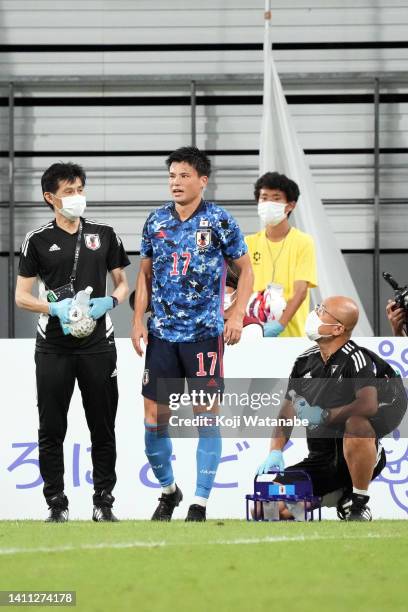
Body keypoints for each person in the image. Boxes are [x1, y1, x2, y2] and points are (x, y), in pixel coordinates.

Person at [131, 146, 253, 522]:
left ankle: (199, 502)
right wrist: (137, 320)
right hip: (163, 334)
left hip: (204, 334)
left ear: (203, 180)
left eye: (184, 175)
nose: (176, 182)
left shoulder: (219, 220)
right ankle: (168, 491)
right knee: (154, 418)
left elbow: (245, 270)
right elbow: (145, 274)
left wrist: (236, 314)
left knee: (205, 417)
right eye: (172, 175)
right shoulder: (155, 221)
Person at [15, 162, 130, 522]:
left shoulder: (105, 234)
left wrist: (109, 301)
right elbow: (21, 296)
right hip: (53, 345)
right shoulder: (36, 239)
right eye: (68, 191)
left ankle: (104, 502)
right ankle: (57, 505)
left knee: (103, 425)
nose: (77, 197)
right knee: (51, 427)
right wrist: (53, 307)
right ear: (50, 197)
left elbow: (123, 284)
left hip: (99, 344)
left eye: (80, 189)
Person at [257, 296, 407, 521]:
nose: (314, 313)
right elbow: (286, 413)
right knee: (264, 509)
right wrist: (275, 451)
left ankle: (357, 501)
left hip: (360, 448)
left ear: (337, 328)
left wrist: (323, 415)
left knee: (356, 423)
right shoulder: (303, 362)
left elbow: (368, 404)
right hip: (321, 459)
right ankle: (332, 497)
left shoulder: (357, 359)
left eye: (321, 310)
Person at [245, 172, 317, 337]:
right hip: (253, 332)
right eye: (264, 198)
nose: (268, 203)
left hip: (291, 334)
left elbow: (300, 291)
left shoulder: (303, 242)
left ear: (290, 205)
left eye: (276, 198)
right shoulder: (248, 243)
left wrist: (280, 324)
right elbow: (235, 288)